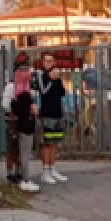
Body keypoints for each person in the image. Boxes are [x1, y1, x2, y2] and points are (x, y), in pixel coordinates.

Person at [34, 55, 69, 185]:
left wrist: (57, 80)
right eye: (46, 61)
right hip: (47, 114)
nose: (49, 63)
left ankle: (53, 168)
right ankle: (45, 171)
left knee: (54, 143)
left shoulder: (56, 76)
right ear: (43, 62)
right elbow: (43, 91)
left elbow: (62, 93)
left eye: (51, 61)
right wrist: (51, 79)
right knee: (47, 143)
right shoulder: (42, 75)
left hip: (57, 113)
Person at [10, 67, 40, 193]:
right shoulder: (27, 95)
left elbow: (15, 111)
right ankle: (25, 180)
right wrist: (34, 109)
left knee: (22, 153)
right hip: (28, 126)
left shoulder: (16, 94)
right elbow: (34, 111)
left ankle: (22, 178)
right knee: (26, 155)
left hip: (20, 126)